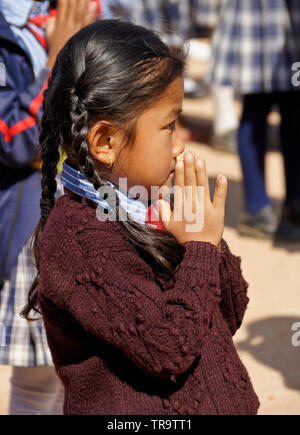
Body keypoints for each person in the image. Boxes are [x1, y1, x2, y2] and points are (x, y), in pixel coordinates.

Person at [21, 19, 260, 415]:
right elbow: (167, 348)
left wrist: (207, 239)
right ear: (105, 141)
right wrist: (199, 247)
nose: (180, 143)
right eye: (169, 126)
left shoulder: (148, 203)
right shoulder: (80, 238)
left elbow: (225, 317)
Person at [0, 0, 98, 414]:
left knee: (87, 371)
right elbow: (13, 138)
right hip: (29, 229)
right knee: (42, 379)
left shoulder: (76, 8)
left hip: (91, 212)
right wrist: (58, 59)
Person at [206, 0, 300, 240]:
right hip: (262, 21)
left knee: (288, 110)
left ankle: (288, 206)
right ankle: (261, 208)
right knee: (260, 108)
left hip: (274, 24)